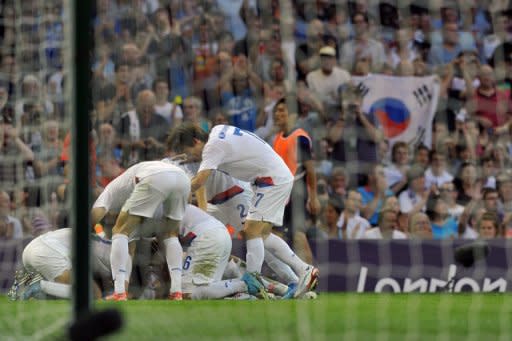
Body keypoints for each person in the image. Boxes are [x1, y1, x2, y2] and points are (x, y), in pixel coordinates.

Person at [167, 123, 318, 299]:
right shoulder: (216, 132)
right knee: (254, 235)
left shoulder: (212, 148)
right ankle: (291, 278)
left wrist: (177, 194)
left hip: (252, 187)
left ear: (196, 141)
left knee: (254, 233)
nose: (190, 157)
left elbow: (200, 182)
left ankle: (277, 278)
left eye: (189, 151)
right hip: (255, 184)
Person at [91, 160, 191, 301]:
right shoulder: (131, 193)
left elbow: (96, 214)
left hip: (155, 179)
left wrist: (81, 231)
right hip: (182, 179)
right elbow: (130, 250)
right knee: (171, 236)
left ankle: (119, 293)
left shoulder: (109, 191)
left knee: (119, 231)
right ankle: (177, 292)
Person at [10, 228, 115, 300]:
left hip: (33, 249)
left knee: (89, 292)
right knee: (93, 294)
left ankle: (32, 288)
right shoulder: (114, 255)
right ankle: (38, 286)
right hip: (48, 251)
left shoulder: (105, 246)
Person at [272, 97, 320, 246]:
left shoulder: (300, 138)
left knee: (298, 236)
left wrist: (313, 197)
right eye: (276, 111)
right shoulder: (278, 138)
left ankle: (312, 270)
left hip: (297, 193)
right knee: (277, 237)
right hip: (281, 195)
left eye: (281, 110)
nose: (277, 114)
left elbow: (310, 170)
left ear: (293, 114)